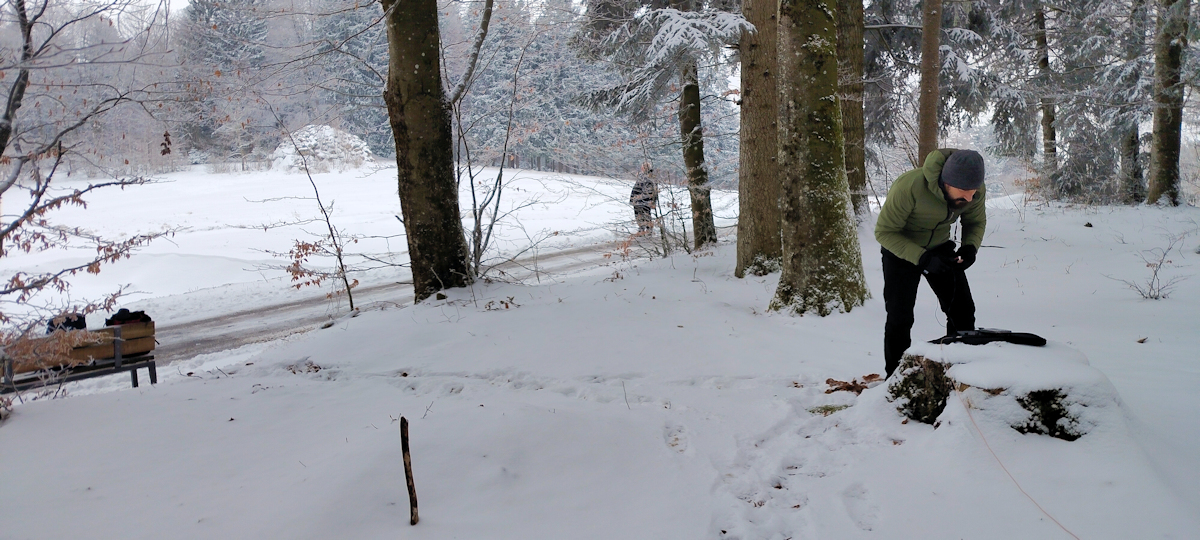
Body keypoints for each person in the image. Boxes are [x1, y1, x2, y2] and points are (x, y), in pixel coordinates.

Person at [874, 148, 987, 378]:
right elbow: (884, 232)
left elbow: (975, 222)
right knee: (900, 316)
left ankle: (958, 374)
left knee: (962, 311)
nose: (969, 199)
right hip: (900, 249)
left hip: (939, 247)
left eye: (973, 193)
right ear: (947, 182)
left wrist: (970, 248)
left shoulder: (974, 191)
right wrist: (922, 258)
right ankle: (895, 379)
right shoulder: (910, 186)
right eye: (963, 193)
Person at [630, 165, 659, 234]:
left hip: (645, 200)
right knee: (638, 215)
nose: (641, 168)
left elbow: (652, 190)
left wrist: (641, 197)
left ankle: (648, 229)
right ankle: (642, 228)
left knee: (646, 214)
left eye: (642, 167)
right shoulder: (641, 176)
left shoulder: (650, 177)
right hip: (638, 200)